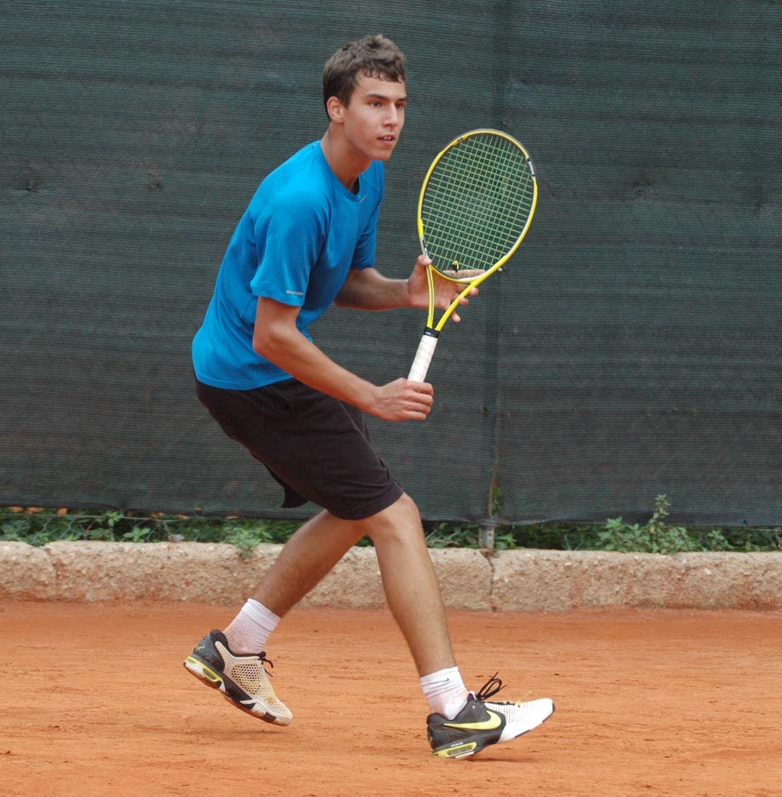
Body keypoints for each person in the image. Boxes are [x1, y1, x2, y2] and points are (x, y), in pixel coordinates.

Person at [185, 33, 554, 758]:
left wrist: (405, 293)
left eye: (400, 105)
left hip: (267, 373)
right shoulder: (300, 198)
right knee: (394, 514)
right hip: (252, 379)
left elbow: (343, 282)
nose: (391, 120)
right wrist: (372, 396)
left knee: (359, 506)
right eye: (375, 104)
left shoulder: (368, 177)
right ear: (336, 108)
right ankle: (453, 710)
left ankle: (237, 647)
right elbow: (274, 333)